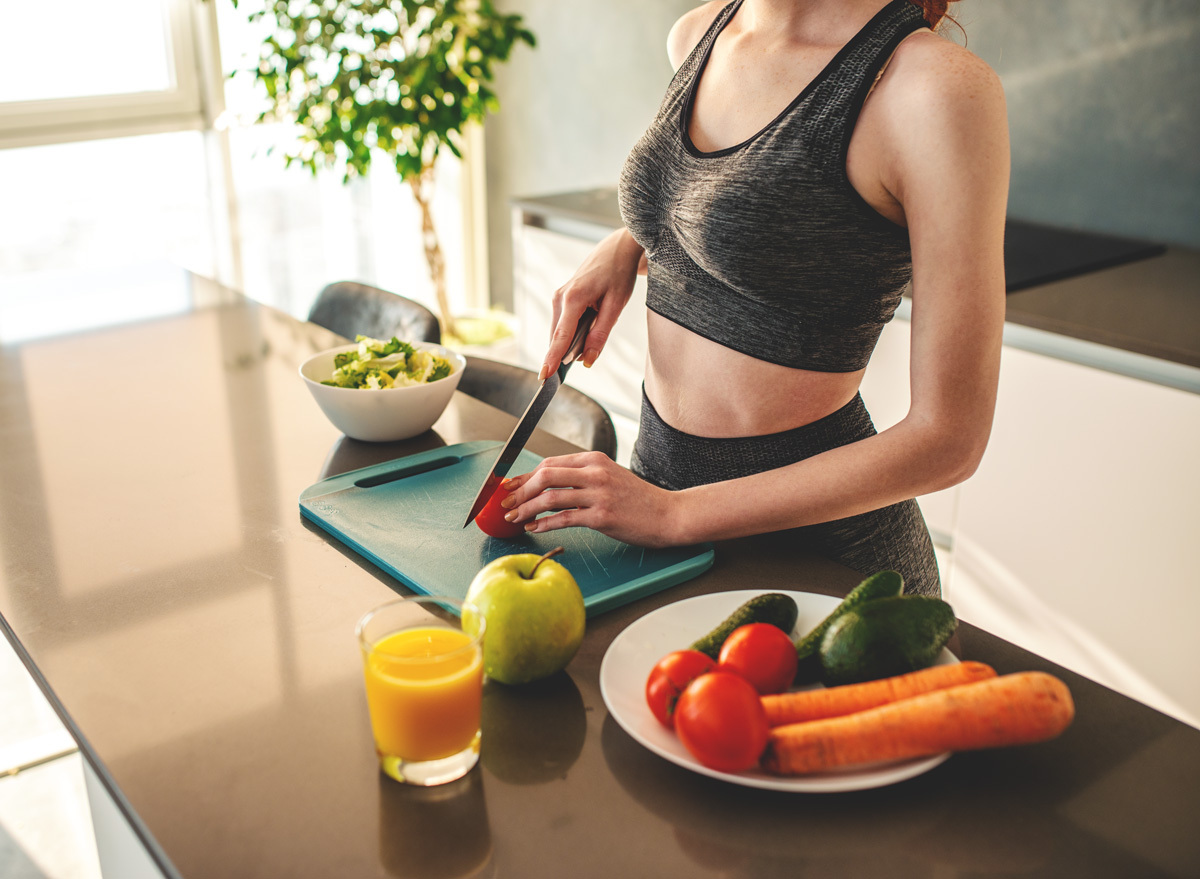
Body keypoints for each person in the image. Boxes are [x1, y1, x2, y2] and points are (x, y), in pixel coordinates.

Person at [498, 0, 1009, 597]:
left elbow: (950, 441)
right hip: (653, 507)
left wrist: (674, 514)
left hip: (821, 572)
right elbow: (730, 201)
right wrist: (628, 241)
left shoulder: (932, 89)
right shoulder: (700, 32)